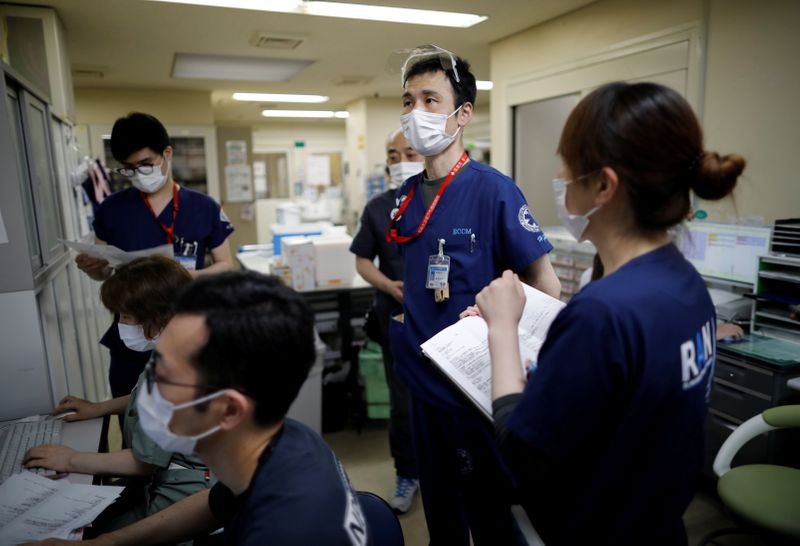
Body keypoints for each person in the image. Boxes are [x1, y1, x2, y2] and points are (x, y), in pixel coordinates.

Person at [477, 81, 745, 545]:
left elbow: (521, 453)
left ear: (603, 185)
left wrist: (502, 329)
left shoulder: (603, 313)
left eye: (567, 167)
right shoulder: (686, 284)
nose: (559, 179)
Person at [26, 271, 369, 545]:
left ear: (227, 410)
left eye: (165, 378)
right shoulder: (283, 440)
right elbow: (213, 504)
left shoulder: (284, 531)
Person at [388, 45, 560, 544]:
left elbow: (546, 289)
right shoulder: (405, 195)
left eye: (429, 100)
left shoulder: (494, 191)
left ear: (462, 114)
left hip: (471, 388)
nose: (415, 112)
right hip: (422, 381)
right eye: (408, 100)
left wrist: (499, 320)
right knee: (440, 514)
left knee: (487, 516)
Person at [23, 256, 213, 538]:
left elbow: (144, 461)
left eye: (125, 317)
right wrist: (99, 408)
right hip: (162, 480)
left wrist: (71, 460)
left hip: (184, 499)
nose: (120, 325)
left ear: (159, 316)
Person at [75, 112, 234, 398]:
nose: (138, 173)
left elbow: (225, 265)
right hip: (133, 336)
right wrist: (93, 268)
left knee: (190, 420)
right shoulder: (112, 210)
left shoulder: (204, 207)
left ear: (167, 153)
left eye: (145, 164)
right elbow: (105, 273)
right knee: (131, 415)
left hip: (188, 332)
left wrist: (184, 277)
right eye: (128, 168)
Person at [350, 128, 423, 513]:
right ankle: (408, 473)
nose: (399, 161)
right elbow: (363, 259)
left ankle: (450, 469)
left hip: (446, 318)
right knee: (403, 402)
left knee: (448, 401)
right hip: (396, 315)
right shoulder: (379, 207)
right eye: (393, 156)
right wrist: (387, 285)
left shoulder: (443, 200)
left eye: (408, 153)